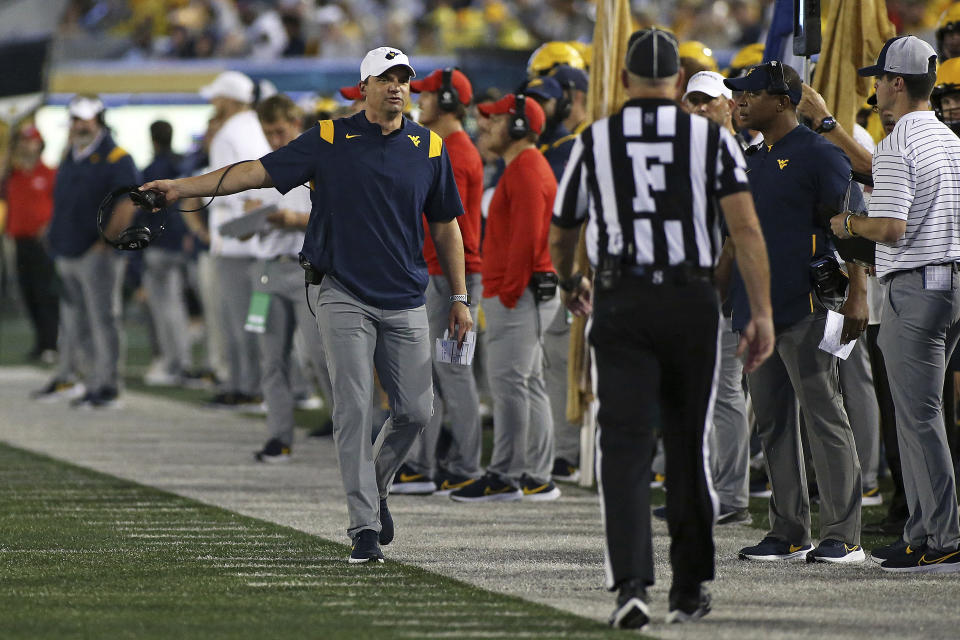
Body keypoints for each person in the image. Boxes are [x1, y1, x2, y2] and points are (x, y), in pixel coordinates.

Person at [141, 46, 472, 565]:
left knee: (415, 410)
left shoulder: (428, 145)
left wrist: (459, 296)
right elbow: (255, 171)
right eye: (385, 78)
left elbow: (446, 224)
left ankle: (378, 486)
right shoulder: (329, 138)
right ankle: (363, 525)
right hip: (339, 288)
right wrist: (181, 187)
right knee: (353, 404)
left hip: (406, 292)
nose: (397, 87)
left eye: (404, 79)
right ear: (363, 88)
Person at [549, 28, 773, 629]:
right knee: (685, 442)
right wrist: (763, 313)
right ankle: (690, 584)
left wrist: (572, 281)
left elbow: (564, 230)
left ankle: (630, 585)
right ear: (677, 82)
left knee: (623, 447)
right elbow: (746, 230)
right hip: (689, 299)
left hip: (621, 299)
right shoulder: (710, 140)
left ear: (624, 81)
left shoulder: (595, 141)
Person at [723, 61, 868, 564]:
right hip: (756, 310)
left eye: (749, 94)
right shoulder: (750, 158)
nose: (739, 102)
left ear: (783, 101)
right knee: (774, 424)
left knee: (824, 417)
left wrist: (858, 294)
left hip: (807, 305)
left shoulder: (820, 155)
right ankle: (788, 530)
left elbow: (850, 227)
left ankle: (843, 534)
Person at [833, 35, 960, 573]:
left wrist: (847, 225)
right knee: (923, 416)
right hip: (949, 282)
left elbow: (889, 226)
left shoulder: (898, 143)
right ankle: (923, 531)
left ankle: (944, 536)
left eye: (880, 78)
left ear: (898, 83)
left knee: (918, 418)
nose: (877, 87)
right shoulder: (950, 140)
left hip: (917, 286)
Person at [449, 92, 561, 504]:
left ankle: (508, 474)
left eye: (495, 121)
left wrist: (508, 292)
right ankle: (533, 474)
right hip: (519, 293)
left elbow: (529, 242)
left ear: (516, 126)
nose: (486, 127)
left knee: (512, 384)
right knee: (525, 384)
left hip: (520, 294)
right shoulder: (522, 167)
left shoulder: (527, 169)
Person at [390, 67, 484, 495]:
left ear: (446, 102)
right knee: (437, 372)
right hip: (443, 276)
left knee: (452, 372)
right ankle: (428, 463)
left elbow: (452, 227)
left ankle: (463, 464)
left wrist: (457, 292)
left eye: (426, 93)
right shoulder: (451, 148)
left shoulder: (458, 153)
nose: (419, 99)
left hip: (451, 280)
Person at [35, 95, 139, 408]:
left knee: (103, 320)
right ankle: (73, 377)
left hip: (96, 253)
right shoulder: (72, 153)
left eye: (85, 119)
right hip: (67, 249)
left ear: (99, 120)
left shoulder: (117, 157)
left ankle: (108, 385)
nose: (80, 125)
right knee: (71, 320)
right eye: (76, 119)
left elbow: (128, 201)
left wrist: (107, 242)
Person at [681, 70, 753, 524]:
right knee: (696, 390)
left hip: (730, 290)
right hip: (690, 287)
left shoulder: (746, 155)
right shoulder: (682, 156)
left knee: (725, 392)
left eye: (709, 100)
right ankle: (702, 488)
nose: (701, 108)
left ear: (730, 105)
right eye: (694, 101)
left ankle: (731, 496)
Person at [250, 94, 334, 463]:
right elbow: (247, 227)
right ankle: (278, 437)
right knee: (271, 359)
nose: (273, 140)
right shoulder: (264, 165)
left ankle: (349, 430)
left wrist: (290, 220)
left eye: (279, 130)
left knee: (323, 357)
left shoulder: (317, 157)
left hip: (306, 272)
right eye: (268, 133)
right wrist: (251, 218)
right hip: (265, 271)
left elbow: (332, 215)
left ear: (295, 122)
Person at [201, 70, 276, 409]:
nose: (213, 103)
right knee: (254, 318)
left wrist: (232, 204)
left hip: (237, 243)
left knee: (241, 318)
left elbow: (244, 186)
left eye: (217, 97)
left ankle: (248, 385)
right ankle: (250, 383)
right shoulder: (251, 127)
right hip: (255, 242)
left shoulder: (231, 132)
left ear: (229, 99)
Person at [140, 120, 196, 387]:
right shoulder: (182, 165)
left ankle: (174, 363)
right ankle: (181, 361)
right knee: (176, 306)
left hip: (160, 244)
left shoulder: (152, 170)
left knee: (164, 309)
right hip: (180, 244)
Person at [0, 124, 58, 364]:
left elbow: (60, 205)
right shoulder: (12, 174)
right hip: (18, 240)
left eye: (30, 141)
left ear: (39, 144)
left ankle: (51, 343)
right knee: (28, 294)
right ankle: (40, 342)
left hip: (42, 242)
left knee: (45, 293)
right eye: (23, 142)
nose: (26, 146)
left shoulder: (49, 173)